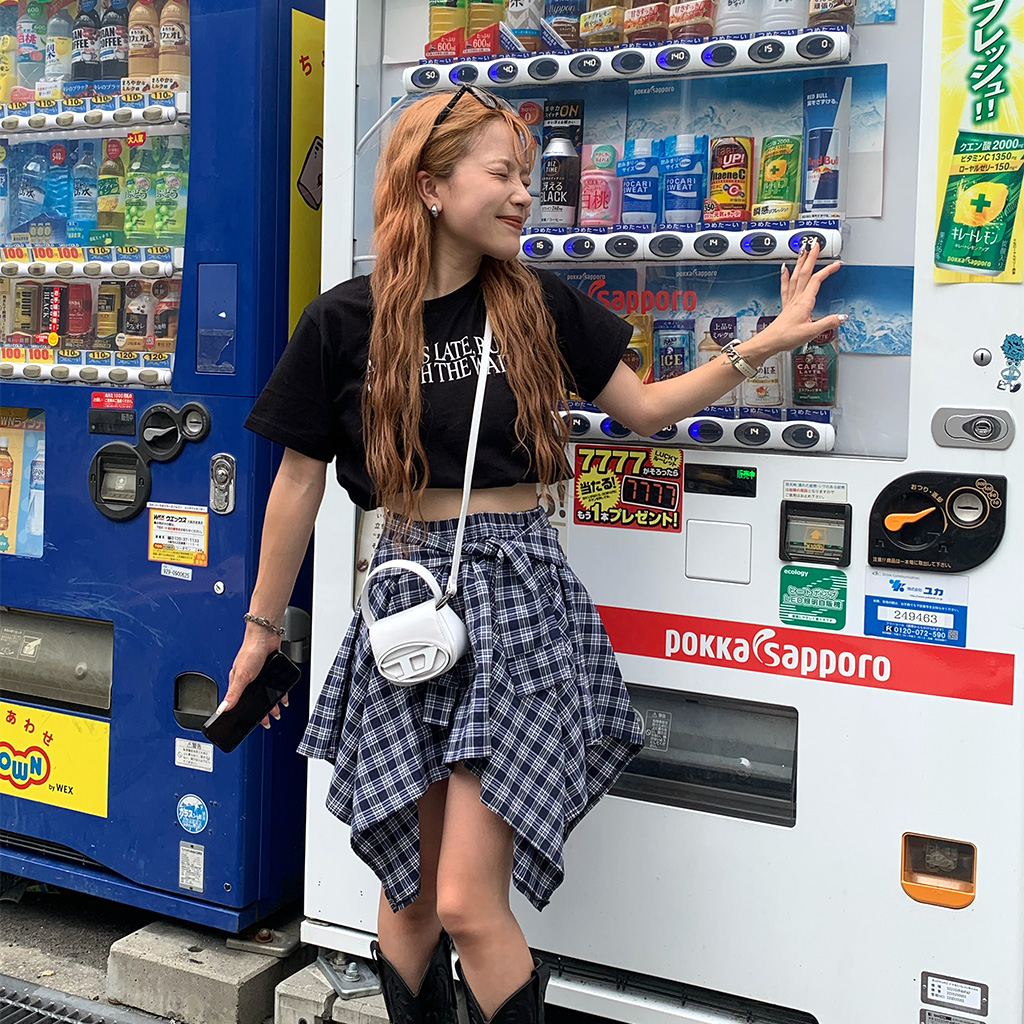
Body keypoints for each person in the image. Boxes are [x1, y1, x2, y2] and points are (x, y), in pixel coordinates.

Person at [227, 85, 844, 1024]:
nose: (526, 193)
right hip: (406, 591)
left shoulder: (536, 302)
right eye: (502, 174)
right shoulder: (345, 320)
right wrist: (260, 631)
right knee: (408, 896)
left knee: (466, 903)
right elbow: (296, 483)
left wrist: (764, 344)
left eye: (526, 176)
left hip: (516, 592)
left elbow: (644, 409)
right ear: (430, 186)